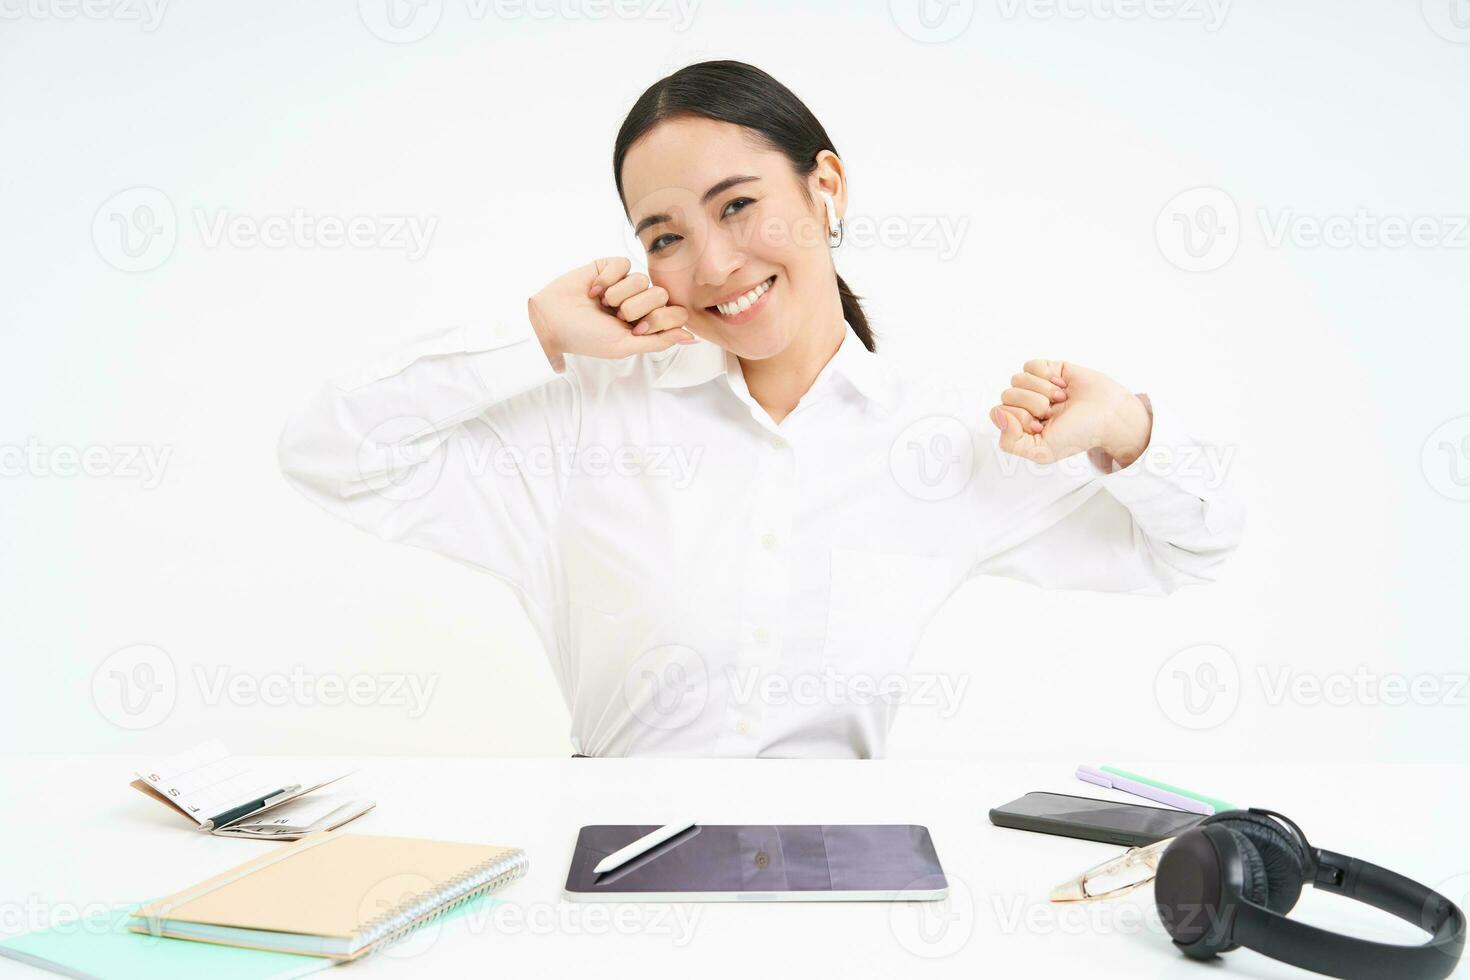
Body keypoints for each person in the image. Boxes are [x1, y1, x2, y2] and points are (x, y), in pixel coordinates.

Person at [278, 60, 1244, 759]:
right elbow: (332, 454)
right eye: (666, 235)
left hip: (844, 875)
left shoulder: (944, 440)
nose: (712, 267)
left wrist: (1128, 428)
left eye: (737, 206)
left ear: (824, 187)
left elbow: (1194, 547)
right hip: (617, 873)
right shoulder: (585, 425)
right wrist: (532, 336)